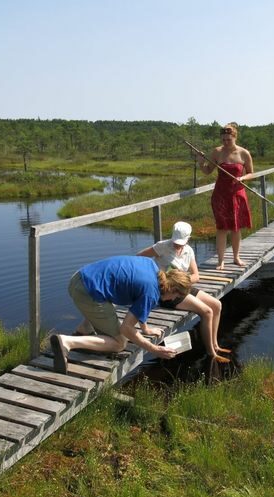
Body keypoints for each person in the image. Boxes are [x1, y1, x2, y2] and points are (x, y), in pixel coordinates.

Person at [50, 255, 192, 374]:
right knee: (120, 343)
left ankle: (83, 330)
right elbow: (127, 328)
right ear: (172, 288)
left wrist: (145, 329)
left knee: (109, 294)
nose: (173, 300)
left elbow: (140, 304)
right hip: (87, 292)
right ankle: (67, 342)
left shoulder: (152, 266)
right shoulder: (151, 293)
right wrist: (154, 349)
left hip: (80, 278)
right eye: (176, 296)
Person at [137, 221, 230, 363]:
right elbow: (138, 258)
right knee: (207, 312)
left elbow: (196, 276)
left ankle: (216, 345)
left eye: (181, 242)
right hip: (168, 293)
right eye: (176, 241)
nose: (177, 245)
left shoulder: (189, 251)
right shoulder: (162, 246)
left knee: (216, 305)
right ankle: (211, 353)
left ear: (188, 239)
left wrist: (181, 280)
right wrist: (155, 278)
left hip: (182, 286)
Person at [197, 122, 254, 270]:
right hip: (220, 195)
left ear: (235, 137)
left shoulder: (244, 153)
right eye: (223, 139)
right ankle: (220, 261)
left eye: (229, 139)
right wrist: (200, 163)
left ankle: (236, 257)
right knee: (221, 228)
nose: (226, 142)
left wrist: (242, 178)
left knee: (236, 228)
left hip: (237, 194)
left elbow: (251, 173)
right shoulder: (217, 152)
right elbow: (208, 171)